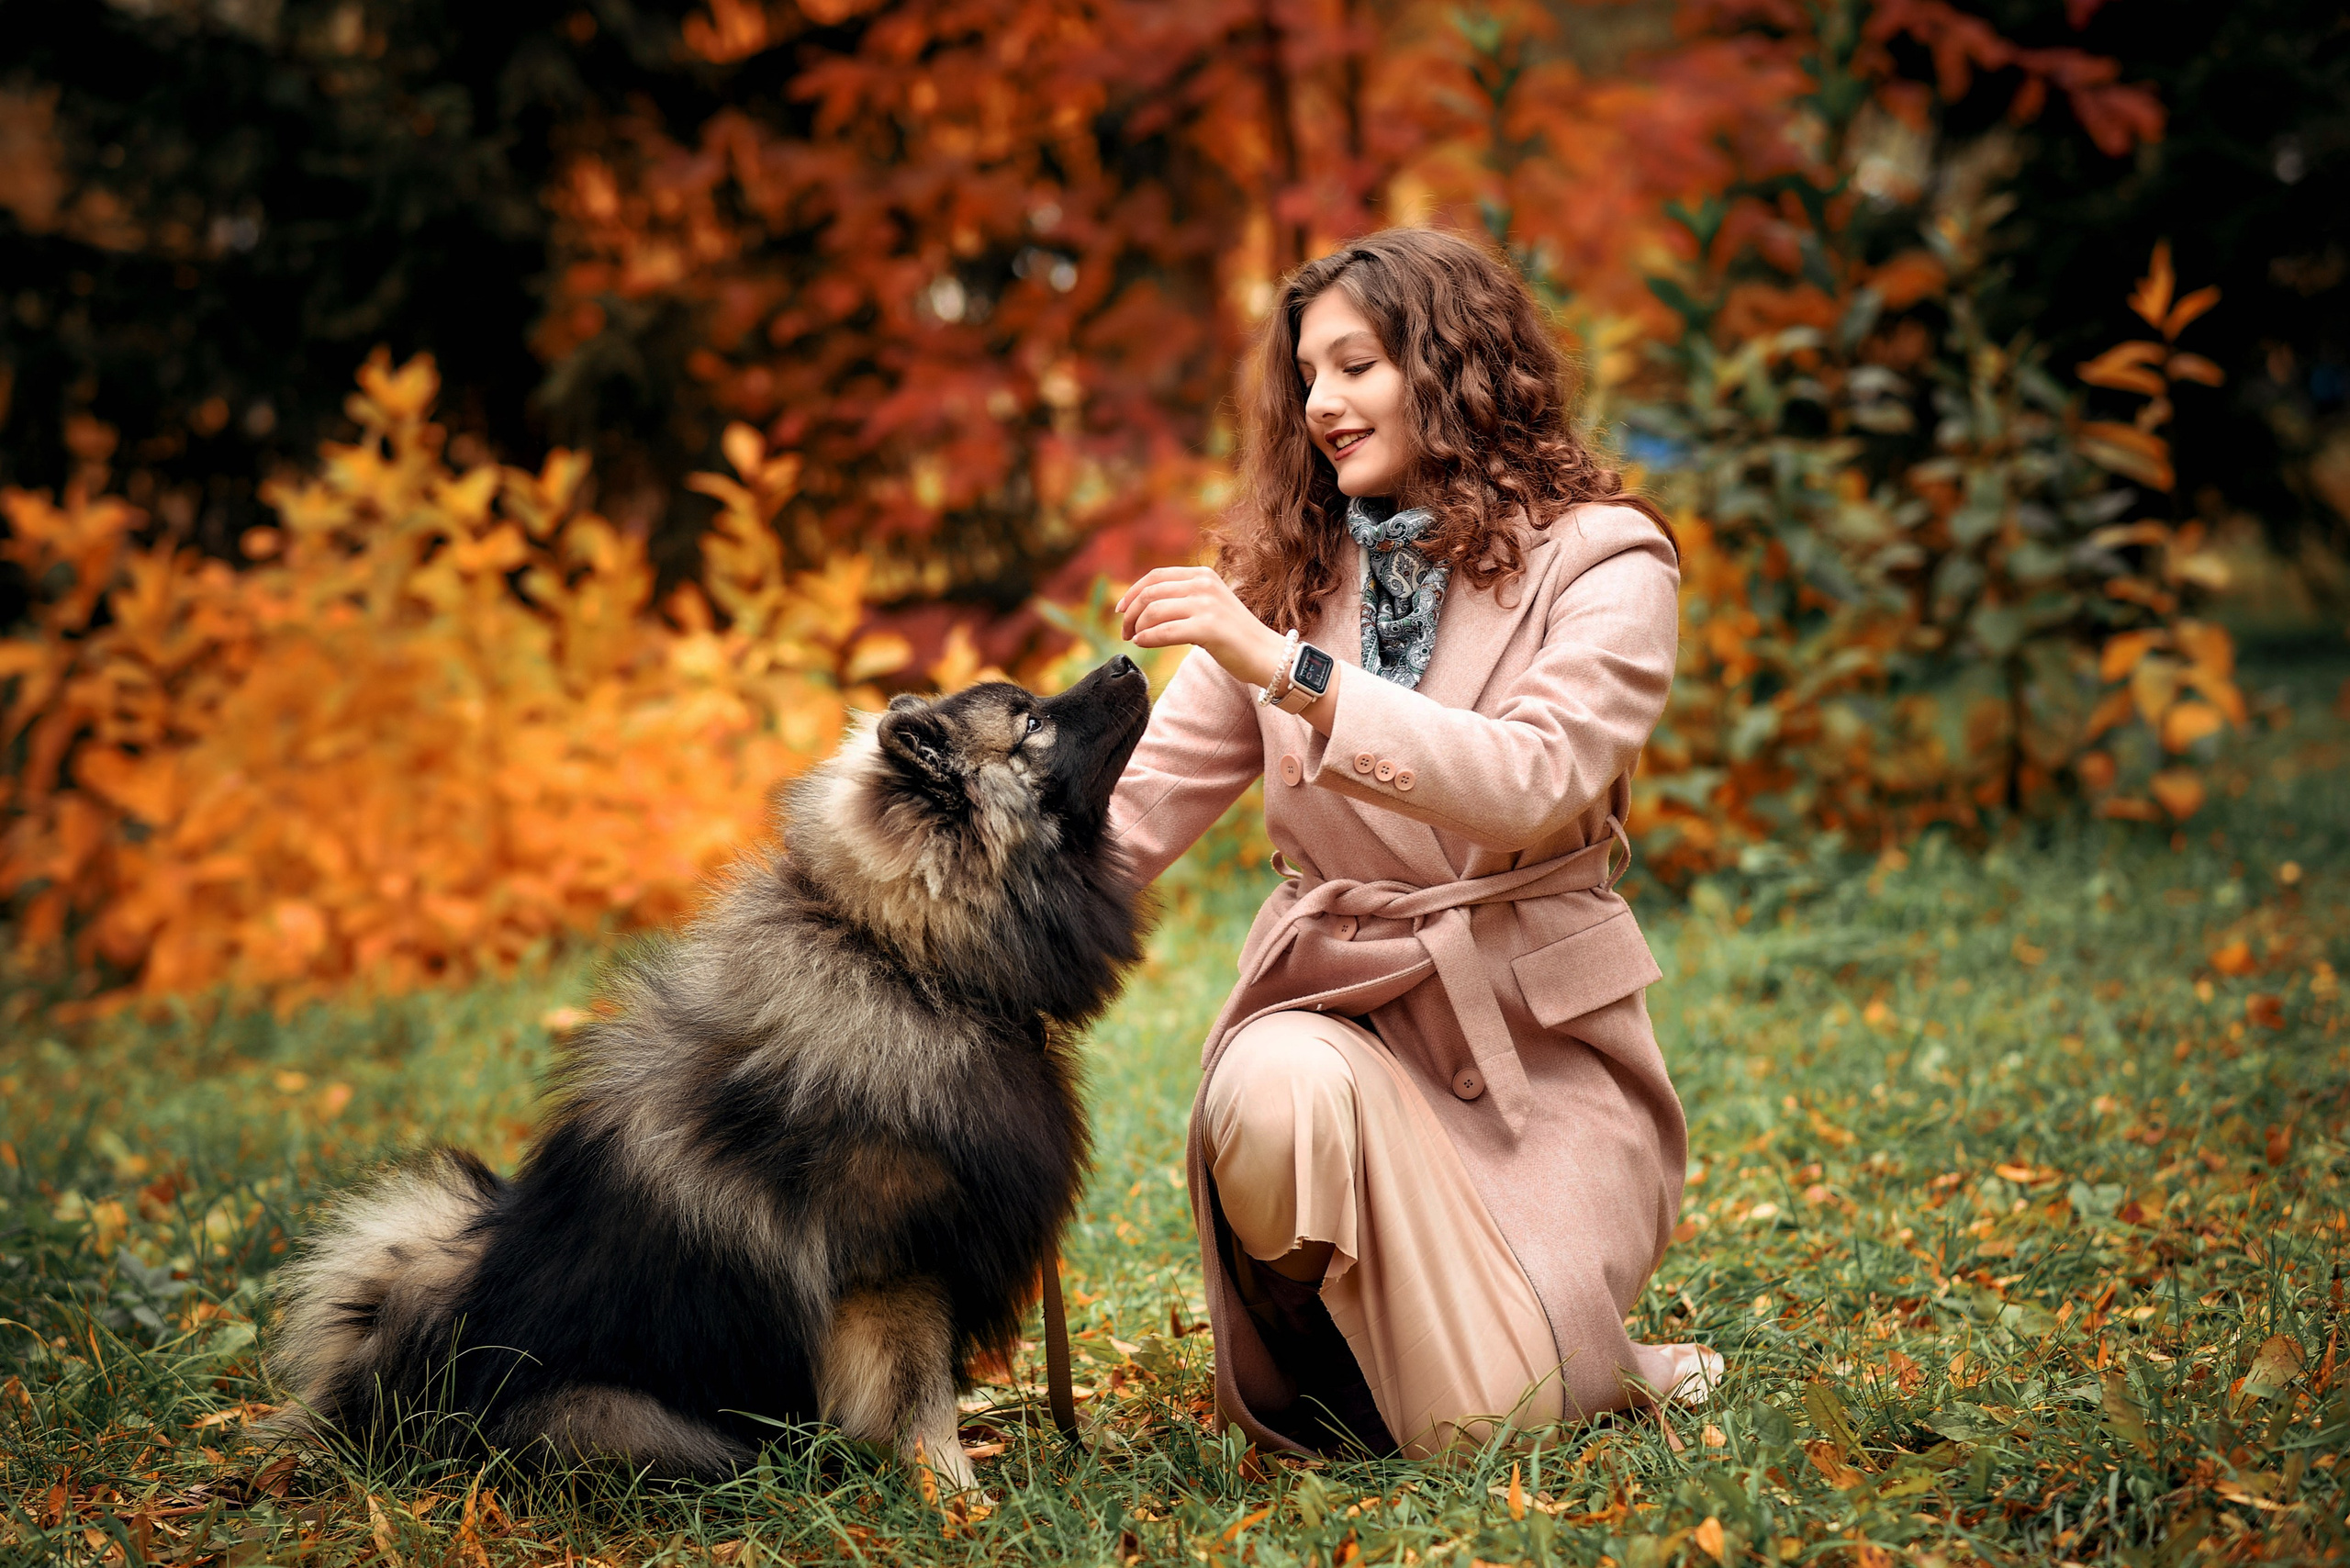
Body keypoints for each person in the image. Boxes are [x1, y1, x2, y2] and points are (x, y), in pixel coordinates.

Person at [1107, 227, 1722, 1461]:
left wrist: (1288, 669)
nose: (1323, 403)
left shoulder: (1606, 560)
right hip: (1341, 1017)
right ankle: (1352, 1336)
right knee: (1272, 1087)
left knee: (1483, 1432)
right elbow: (1129, 819)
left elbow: (1531, 782)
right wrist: (925, 920)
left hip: (1534, 1062)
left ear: (1454, 365)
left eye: (1357, 366)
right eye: (1308, 377)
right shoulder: (1287, 572)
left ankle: (1565, 1351)